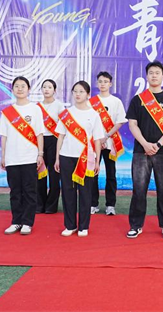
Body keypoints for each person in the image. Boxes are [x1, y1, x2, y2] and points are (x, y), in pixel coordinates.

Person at [126, 61, 163, 239]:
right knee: (139, 189)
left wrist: (158, 144)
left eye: (157, 73)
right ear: (147, 76)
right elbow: (132, 124)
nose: (154, 75)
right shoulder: (138, 100)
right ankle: (136, 225)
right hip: (141, 151)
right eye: (151, 72)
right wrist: (145, 143)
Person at [55, 81, 105, 237]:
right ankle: (70, 225)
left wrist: (97, 161)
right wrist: (57, 158)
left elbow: (97, 140)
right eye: (75, 91)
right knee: (68, 192)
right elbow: (60, 136)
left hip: (86, 158)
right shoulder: (66, 114)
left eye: (81, 91)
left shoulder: (94, 115)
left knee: (85, 193)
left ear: (88, 94)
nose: (77, 94)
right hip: (66, 156)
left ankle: (84, 226)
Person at [0, 77, 45, 235]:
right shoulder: (7, 112)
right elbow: (4, 136)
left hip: (29, 157)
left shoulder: (35, 109)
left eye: (23, 86)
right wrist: (3, 156)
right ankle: (16, 221)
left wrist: (40, 154)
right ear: (12, 90)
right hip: (12, 158)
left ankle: (27, 222)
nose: (20, 89)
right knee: (15, 192)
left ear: (28, 89)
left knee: (30, 191)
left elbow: (39, 134)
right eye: (16, 86)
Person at [90, 71, 127, 216]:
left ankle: (110, 205)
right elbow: (89, 122)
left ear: (110, 84)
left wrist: (106, 136)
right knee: (93, 173)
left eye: (105, 81)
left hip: (111, 142)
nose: (103, 84)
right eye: (100, 81)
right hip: (95, 143)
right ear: (97, 83)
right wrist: (99, 138)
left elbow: (120, 121)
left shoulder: (116, 101)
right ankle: (93, 204)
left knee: (111, 174)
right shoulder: (91, 102)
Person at [36, 79, 65, 214]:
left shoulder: (59, 106)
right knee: (40, 173)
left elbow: (63, 126)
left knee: (54, 175)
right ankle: (39, 204)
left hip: (54, 140)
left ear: (54, 90)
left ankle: (51, 206)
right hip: (40, 141)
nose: (46, 89)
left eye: (49, 87)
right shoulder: (36, 107)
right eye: (44, 87)